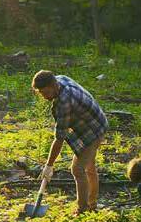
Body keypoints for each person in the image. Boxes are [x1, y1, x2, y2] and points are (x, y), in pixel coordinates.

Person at [32, 70, 108, 213]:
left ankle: (83, 210)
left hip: (95, 129)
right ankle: (92, 204)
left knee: (78, 169)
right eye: (41, 93)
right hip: (92, 122)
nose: (44, 96)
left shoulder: (64, 102)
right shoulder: (60, 79)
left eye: (46, 92)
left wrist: (49, 165)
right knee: (89, 166)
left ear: (53, 85)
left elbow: (59, 138)